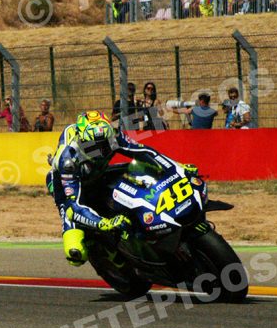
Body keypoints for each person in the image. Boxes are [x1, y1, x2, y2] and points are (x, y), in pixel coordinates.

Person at [46, 110, 198, 267]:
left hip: (100, 172)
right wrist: (103, 223)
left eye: (105, 142)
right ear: (82, 142)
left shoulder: (112, 135)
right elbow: (74, 207)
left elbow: (143, 152)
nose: (102, 149)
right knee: (75, 253)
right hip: (68, 185)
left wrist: (176, 167)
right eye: (94, 146)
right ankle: (102, 250)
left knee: (139, 171)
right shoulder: (68, 159)